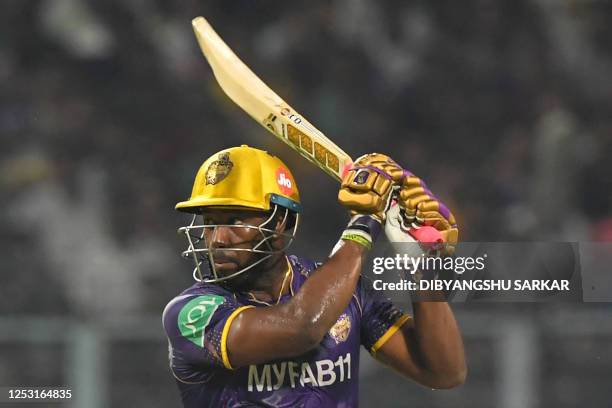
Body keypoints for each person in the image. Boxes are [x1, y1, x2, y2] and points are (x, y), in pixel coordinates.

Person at [162, 145, 466, 407]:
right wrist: (365, 222)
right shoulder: (191, 314)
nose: (218, 238)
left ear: (280, 222)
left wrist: (418, 265)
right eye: (210, 223)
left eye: (234, 220)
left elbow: (444, 371)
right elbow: (303, 327)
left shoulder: (345, 291)